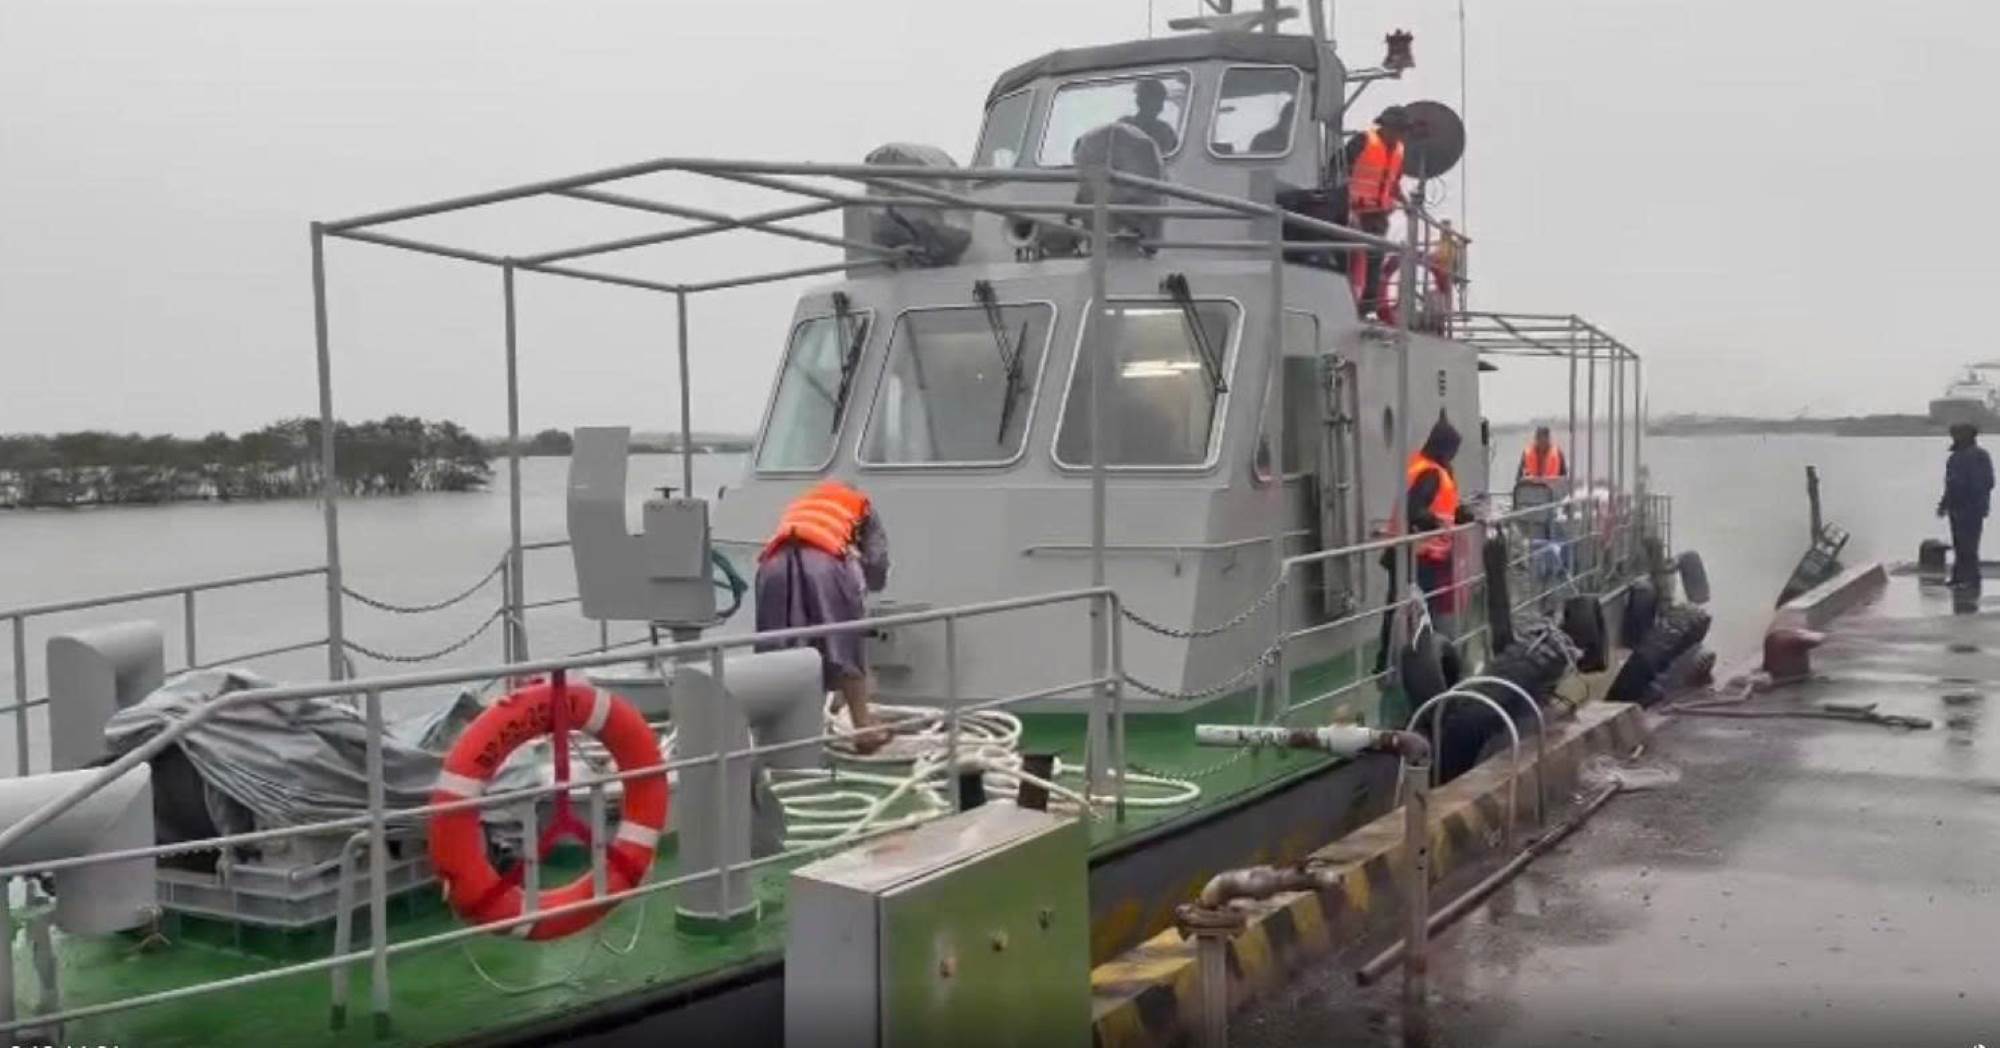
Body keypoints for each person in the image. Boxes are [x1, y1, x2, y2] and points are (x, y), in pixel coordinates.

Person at [755, 479, 892, 751]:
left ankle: (778, 735)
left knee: (778, 650)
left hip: (771, 566)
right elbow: (877, 561)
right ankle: (864, 729)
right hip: (825, 564)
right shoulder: (861, 505)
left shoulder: (805, 502)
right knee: (845, 644)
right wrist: (869, 582)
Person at [1373, 416, 1476, 671]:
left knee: (1402, 610)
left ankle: (1393, 663)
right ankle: (1402, 665)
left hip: (1412, 553)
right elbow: (1415, 510)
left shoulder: (1426, 467)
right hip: (1417, 555)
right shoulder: (1430, 473)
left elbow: (1440, 505)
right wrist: (1438, 523)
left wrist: (1463, 514)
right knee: (1410, 612)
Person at [1341, 106, 1411, 318]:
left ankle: (1367, 306)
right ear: (1385, 126)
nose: (1398, 134)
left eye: (1401, 130)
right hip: (1353, 211)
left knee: (1374, 257)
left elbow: (1393, 182)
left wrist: (1406, 203)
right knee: (1351, 257)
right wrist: (1344, 203)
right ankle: (1347, 303)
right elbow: (1339, 168)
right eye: (1395, 129)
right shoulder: (1363, 141)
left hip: (1378, 214)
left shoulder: (1399, 150)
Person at [1937, 422, 1993, 590]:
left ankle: (1970, 579)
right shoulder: (1954, 458)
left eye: (1958, 434)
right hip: (1958, 507)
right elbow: (1950, 484)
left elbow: (1987, 482)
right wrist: (1944, 504)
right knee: (1960, 543)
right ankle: (1960, 576)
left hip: (1971, 507)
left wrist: (1975, 499)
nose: (1954, 437)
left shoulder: (1979, 456)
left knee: (1969, 544)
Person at [1121, 78, 1177, 155]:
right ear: (1140, 101)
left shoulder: (1165, 130)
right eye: (1156, 100)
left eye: (1161, 101)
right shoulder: (1124, 126)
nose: (1160, 107)